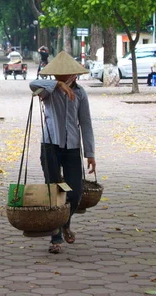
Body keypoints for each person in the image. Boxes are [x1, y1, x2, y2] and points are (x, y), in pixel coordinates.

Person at [29, 51, 96, 254]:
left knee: (74, 191)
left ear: (75, 75)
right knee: (55, 191)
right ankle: (56, 237)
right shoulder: (47, 90)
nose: (66, 77)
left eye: (68, 75)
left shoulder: (81, 94)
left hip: (72, 147)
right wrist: (58, 85)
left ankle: (65, 222)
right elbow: (32, 85)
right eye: (60, 75)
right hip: (50, 146)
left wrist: (90, 153)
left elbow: (86, 123)